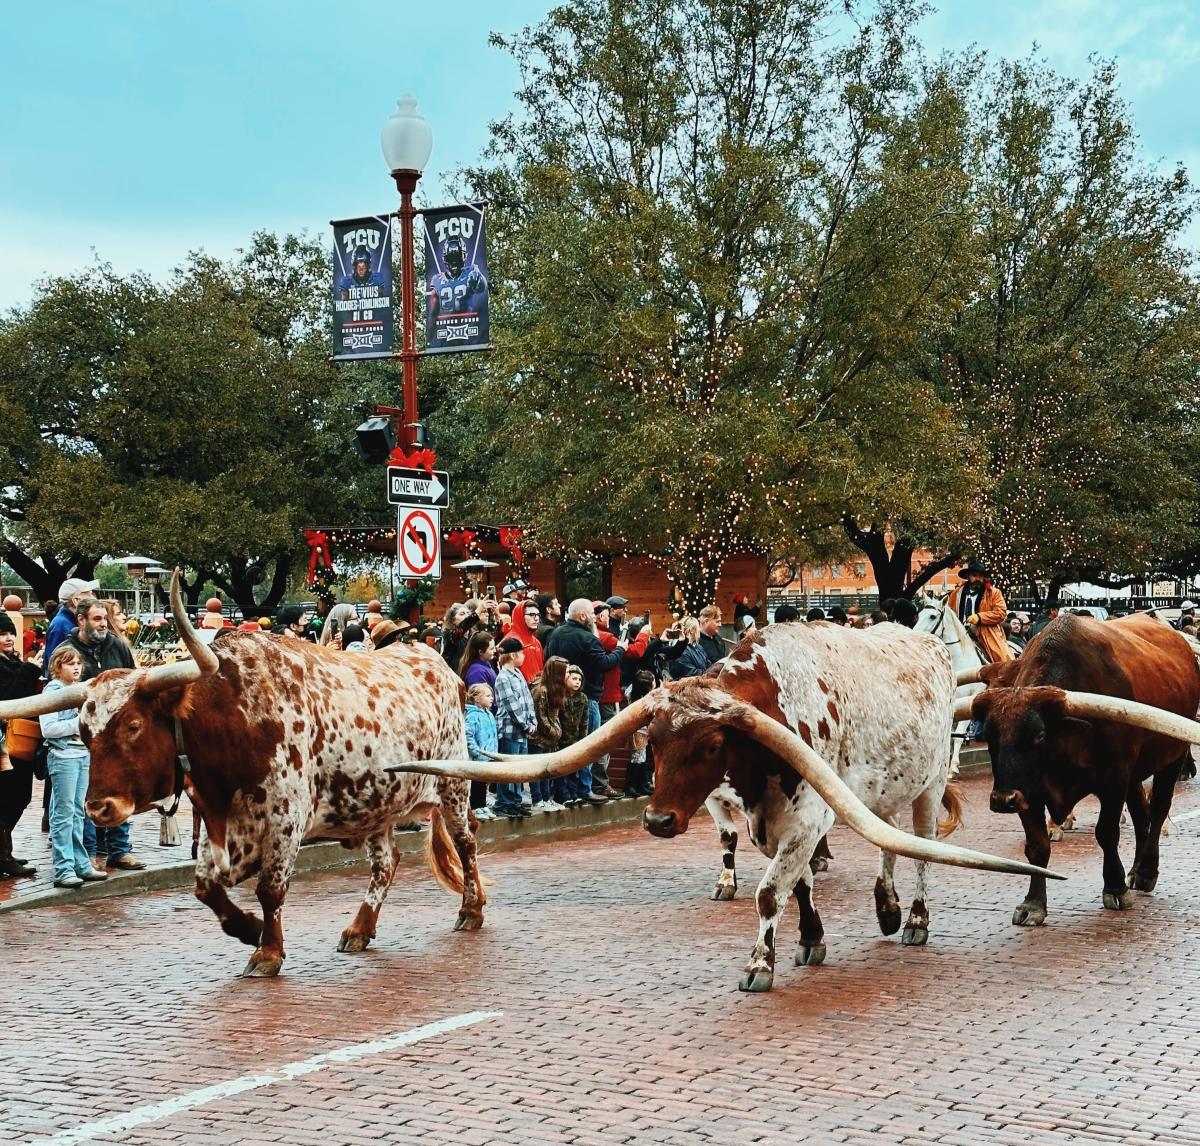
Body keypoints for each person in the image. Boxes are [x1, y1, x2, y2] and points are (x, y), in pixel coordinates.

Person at [66, 598, 145, 871]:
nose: (103, 624)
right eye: (97, 619)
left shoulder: (118, 646)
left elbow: (134, 683)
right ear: (81, 620)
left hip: (116, 738)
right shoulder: (68, 650)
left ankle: (120, 851)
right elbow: (57, 685)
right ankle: (87, 853)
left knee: (120, 787)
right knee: (88, 794)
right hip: (84, 737)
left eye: (105, 619)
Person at [545, 598, 627, 805]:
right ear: (582, 616)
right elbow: (604, 663)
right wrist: (621, 649)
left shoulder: (555, 634)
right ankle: (584, 788)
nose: (594, 617)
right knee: (588, 745)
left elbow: (547, 660)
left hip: (559, 697)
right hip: (588, 697)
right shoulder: (588, 638)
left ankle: (564, 791)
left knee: (564, 745)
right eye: (591, 613)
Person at [40, 646, 108, 889]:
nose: (77, 667)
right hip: (63, 756)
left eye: (78, 662)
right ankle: (63, 868)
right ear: (58, 666)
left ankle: (80, 863)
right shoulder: (54, 690)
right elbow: (48, 729)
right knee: (63, 814)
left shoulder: (81, 689)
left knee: (78, 813)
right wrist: (80, 721)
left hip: (82, 755)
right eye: (70, 663)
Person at [0, 611, 41, 878]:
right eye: (3, 633)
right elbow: (9, 699)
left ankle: (5, 853)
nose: (9, 638)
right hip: (5, 744)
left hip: (22, 740)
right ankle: (2, 857)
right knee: (7, 798)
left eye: (10, 632)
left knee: (20, 797)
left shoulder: (14, 662)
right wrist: (31, 669)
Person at [491, 636, 536, 819]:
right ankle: (505, 802)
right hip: (510, 730)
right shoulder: (503, 677)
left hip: (522, 731)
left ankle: (516, 800)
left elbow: (527, 700)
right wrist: (526, 725)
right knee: (508, 768)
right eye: (521, 652)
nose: (524, 656)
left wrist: (533, 722)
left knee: (519, 767)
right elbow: (511, 705)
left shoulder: (518, 673)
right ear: (512, 655)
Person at [948, 561, 1013, 664]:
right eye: (974, 575)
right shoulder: (955, 594)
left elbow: (1001, 613)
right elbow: (949, 614)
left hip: (986, 634)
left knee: (1003, 663)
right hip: (959, 634)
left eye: (980, 576)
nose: (977, 579)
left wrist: (979, 617)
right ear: (968, 576)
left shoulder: (994, 593)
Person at [529, 656, 568, 811]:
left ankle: (546, 798)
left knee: (546, 770)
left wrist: (554, 732)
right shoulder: (541, 691)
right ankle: (537, 799)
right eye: (565, 672)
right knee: (536, 770)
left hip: (549, 738)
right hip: (538, 738)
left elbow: (554, 716)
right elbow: (541, 717)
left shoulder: (555, 689)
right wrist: (554, 732)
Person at [43, 577, 99, 672]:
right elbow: (55, 666)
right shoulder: (61, 626)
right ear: (76, 600)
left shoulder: (71, 621)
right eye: (89, 594)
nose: (94, 598)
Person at [553, 664, 590, 807]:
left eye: (579, 680)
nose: (577, 682)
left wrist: (583, 739)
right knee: (561, 769)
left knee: (574, 769)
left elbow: (584, 721)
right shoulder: (560, 696)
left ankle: (573, 793)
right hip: (561, 740)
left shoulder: (583, 698)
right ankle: (562, 794)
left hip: (576, 740)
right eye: (574, 678)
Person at [463, 683, 499, 822]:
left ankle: (482, 805)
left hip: (488, 756)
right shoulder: (471, 715)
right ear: (477, 698)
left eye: (492, 696)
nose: (492, 699)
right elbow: (468, 735)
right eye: (488, 696)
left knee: (483, 783)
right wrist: (476, 752)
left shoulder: (489, 714)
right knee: (476, 782)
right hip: (477, 757)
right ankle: (474, 807)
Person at [623, 669, 657, 797]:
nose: (655, 683)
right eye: (653, 681)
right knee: (637, 758)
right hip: (638, 732)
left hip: (644, 731)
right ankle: (630, 786)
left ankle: (641, 785)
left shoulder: (633, 693)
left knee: (642, 758)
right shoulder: (642, 700)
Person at [507, 599, 544, 683]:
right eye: (531, 615)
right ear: (520, 616)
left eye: (538, 615)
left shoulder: (536, 642)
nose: (536, 618)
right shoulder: (510, 641)